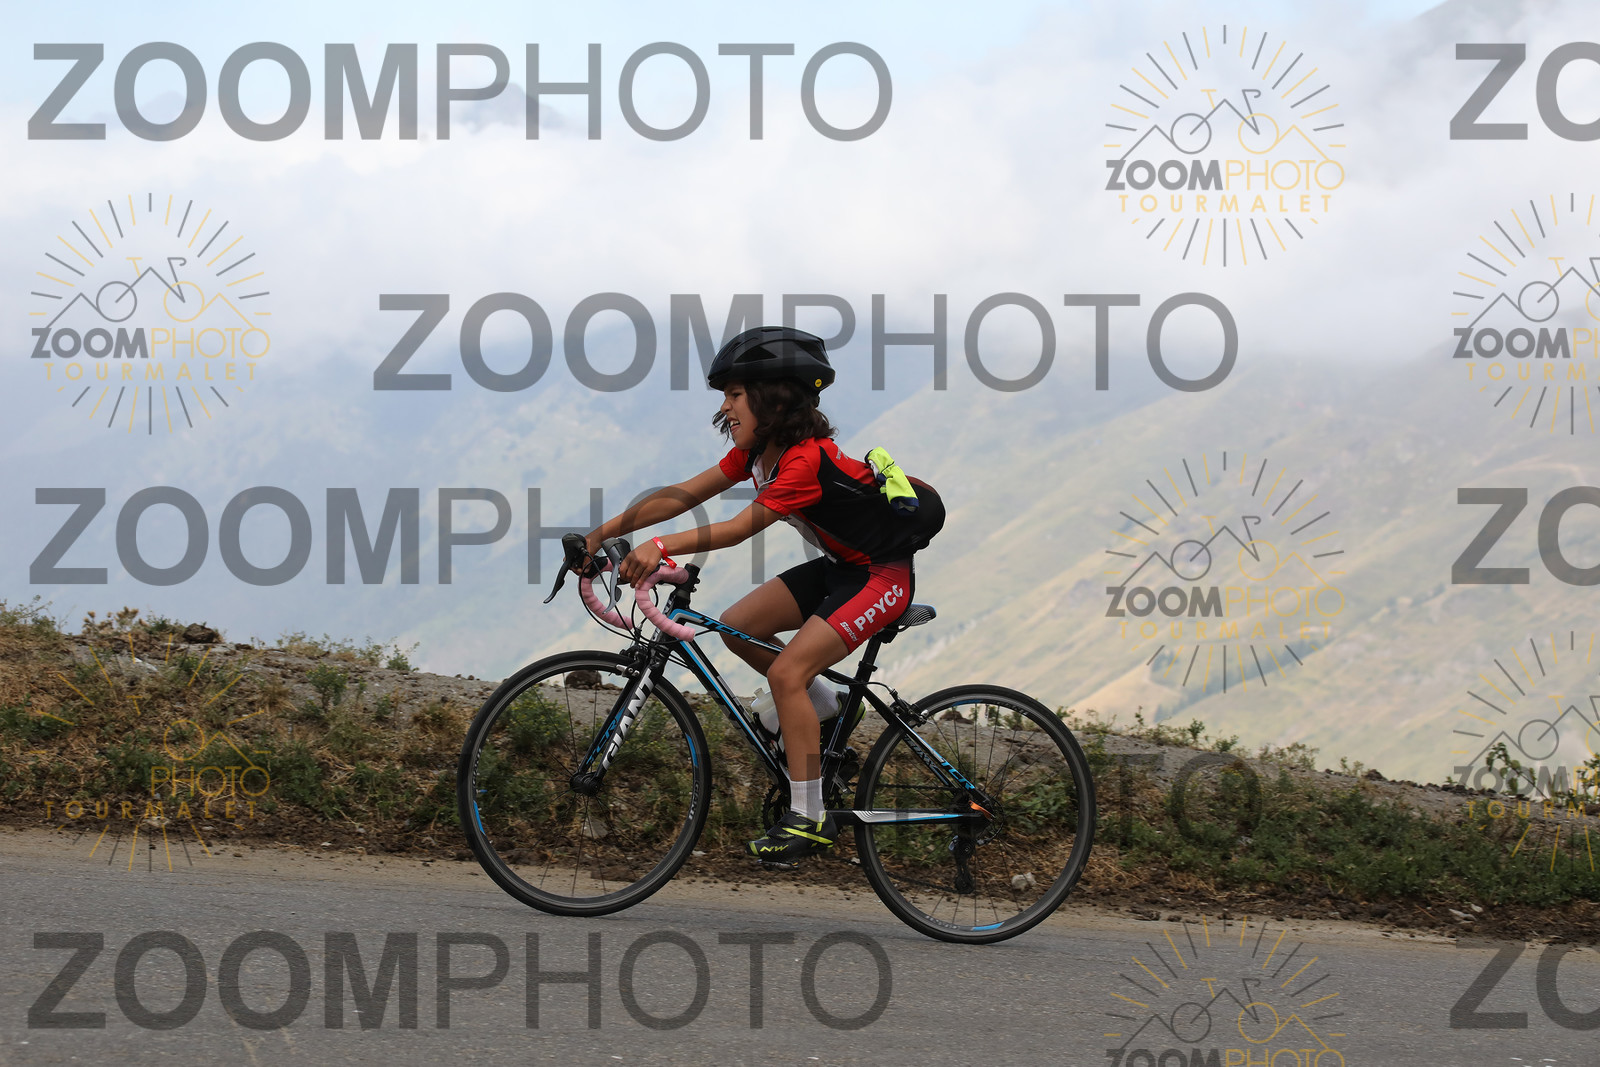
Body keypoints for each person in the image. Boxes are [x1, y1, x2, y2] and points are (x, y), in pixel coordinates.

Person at [583, 326, 934, 865]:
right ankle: (825, 707)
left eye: (734, 394)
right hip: (842, 568)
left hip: (880, 577)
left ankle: (810, 817)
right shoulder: (757, 455)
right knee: (738, 625)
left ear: (773, 398)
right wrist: (598, 536)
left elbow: (736, 529)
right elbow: (680, 496)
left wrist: (661, 546)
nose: (725, 408)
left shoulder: (805, 461)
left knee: (787, 673)